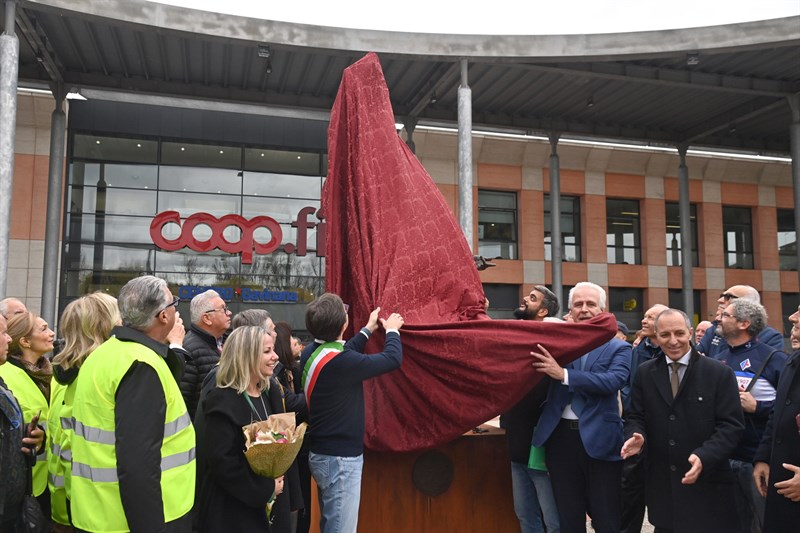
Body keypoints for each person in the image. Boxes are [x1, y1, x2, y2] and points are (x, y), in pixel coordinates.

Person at [70, 275, 195, 532]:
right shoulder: (140, 365)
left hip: (99, 513)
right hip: (143, 519)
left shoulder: (106, 352)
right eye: (174, 303)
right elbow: (138, 463)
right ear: (163, 316)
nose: (176, 309)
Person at [621, 308, 745, 533]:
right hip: (664, 492)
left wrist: (705, 456)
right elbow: (634, 416)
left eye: (679, 333)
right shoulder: (644, 373)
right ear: (656, 337)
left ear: (690, 333)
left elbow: (731, 426)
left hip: (709, 490)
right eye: (665, 335)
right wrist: (635, 436)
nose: (673, 341)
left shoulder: (718, 373)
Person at [531, 281, 630, 533]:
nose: (584, 309)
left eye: (590, 304)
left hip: (601, 441)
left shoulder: (620, 347)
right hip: (559, 439)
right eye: (578, 304)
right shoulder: (557, 344)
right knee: (568, 517)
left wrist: (563, 374)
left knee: (606, 516)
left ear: (603, 310)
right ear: (570, 311)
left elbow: (612, 382)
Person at [300, 293, 403, 533]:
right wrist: (393, 331)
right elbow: (392, 359)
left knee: (330, 523)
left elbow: (345, 351)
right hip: (341, 461)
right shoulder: (342, 363)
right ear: (343, 324)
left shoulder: (310, 353)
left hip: (323, 454)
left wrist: (368, 329)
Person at [197, 325, 286, 532]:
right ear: (246, 355)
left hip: (263, 508)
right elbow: (223, 464)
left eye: (273, 350)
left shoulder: (267, 392)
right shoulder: (222, 399)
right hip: (232, 514)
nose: (275, 357)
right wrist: (266, 489)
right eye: (267, 351)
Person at [47, 292, 120, 531]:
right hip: (101, 510)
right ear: (106, 326)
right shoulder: (104, 376)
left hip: (67, 505)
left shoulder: (62, 375)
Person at [714, 298, 787, 532]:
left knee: (764, 524)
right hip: (724, 458)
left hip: (757, 460)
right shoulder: (718, 358)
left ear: (744, 323)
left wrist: (758, 407)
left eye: (726, 315)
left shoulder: (775, 359)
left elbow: (790, 408)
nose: (718, 318)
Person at [504, 285, 561, 533]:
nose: (525, 299)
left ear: (544, 311)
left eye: (533, 298)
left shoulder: (552, 340)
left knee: (553, 521)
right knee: (526, 517)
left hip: (541, 448)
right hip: (517, 447)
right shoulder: (517, 337)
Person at [0, 312, 55, 518]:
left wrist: (40, 436)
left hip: (49, 481)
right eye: (43, 329)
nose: (51, 334)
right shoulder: (5, 374)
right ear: (24, 341)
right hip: (20, 487)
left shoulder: (51, 374)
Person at [753, 304, 800, 532]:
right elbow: (777, 413)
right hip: (784, 487)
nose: (792, 317)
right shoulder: (792, 361)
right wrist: (763, 457)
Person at [180, 289, 232, 420]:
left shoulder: (228, 342)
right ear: (207, 318)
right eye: (223, 309)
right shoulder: (189, 349)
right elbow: (183, 400)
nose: (229, 313)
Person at [696, 285, 783, 359]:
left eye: (728, 297)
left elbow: (767, 367)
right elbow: (696, 358)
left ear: (748, 304)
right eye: (722, 296)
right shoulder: (713, 330)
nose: (720, 300)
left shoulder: (771, 337)